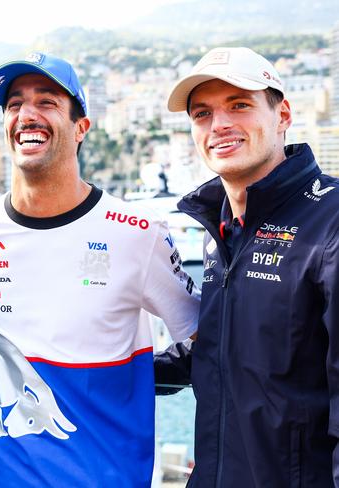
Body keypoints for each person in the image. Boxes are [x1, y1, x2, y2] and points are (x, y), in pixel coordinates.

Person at [0, 53, 200, 487]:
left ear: (81, 128)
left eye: (47, 102)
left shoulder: (139, 233)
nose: (27, 115)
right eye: (14, 104)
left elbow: (207, 341)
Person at [157, 47, 339, 487]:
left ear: (283, 115)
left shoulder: (330, 220)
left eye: (239, 105)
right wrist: (92, 367)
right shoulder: (221, 224)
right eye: (202, 114)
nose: (219, 124)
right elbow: (223, 351)